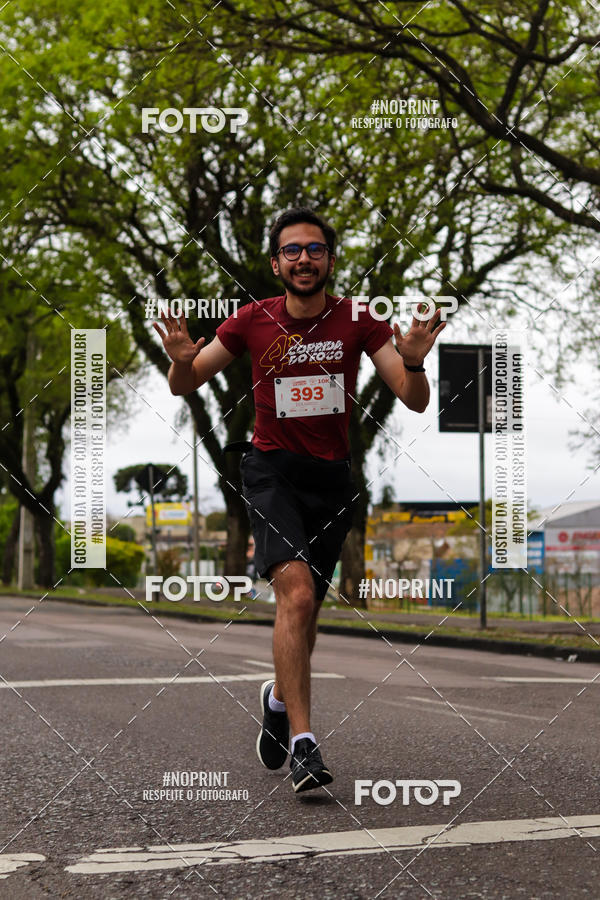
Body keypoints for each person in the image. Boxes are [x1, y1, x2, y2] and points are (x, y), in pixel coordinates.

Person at [154, 207, 445, 793]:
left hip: (331, 481)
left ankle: (279, 700)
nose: (304, 258)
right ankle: (305, 746)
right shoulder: (249, 321)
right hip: (270, 473)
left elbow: (412, 399)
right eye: (292, 250)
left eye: (315, 249)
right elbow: (187, 383)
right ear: (276, 263)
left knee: (306, 611)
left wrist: (413, 359)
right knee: (298, 591)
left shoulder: (359, 321)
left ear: (331, 260)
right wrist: (181, 362)